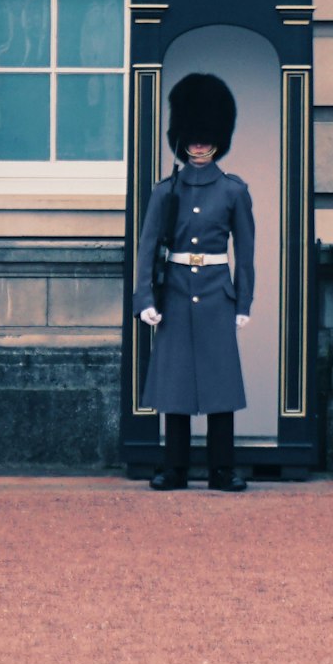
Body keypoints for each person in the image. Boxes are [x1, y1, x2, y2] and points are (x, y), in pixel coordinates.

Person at [132, 72, 255, 492]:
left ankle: (222, 469)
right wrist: (144, 296)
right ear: (182, 140)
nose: (199, 146)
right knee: (176, 381)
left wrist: (244, 303)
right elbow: (147, 248)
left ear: (217, 139)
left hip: (218, 292)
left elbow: (247, 253)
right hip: (177, 291)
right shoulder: (166, 190)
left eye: (206, 138)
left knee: (220, 381)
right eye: (193, 139)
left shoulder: (234, 191)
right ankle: (176, 467)